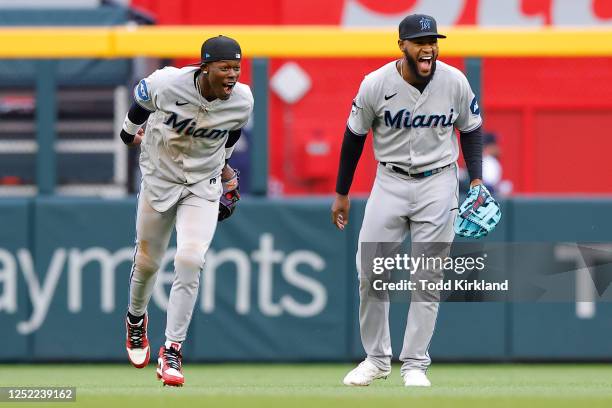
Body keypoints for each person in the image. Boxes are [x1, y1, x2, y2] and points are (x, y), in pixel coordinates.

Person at [331, 14, 484, 387]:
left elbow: (471, 129)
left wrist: (477, 179)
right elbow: (354, 137)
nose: (428, 46)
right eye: (420, 40)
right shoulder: (376, 84)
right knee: (371, 270)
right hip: (390, 180)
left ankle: (415, 363)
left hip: (439, 182)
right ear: (402, 45)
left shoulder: (455, 81)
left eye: (433, 39)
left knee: (427, 276)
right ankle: (376, 359)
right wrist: (342, 191)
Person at [120, 35, 253, 387]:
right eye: (224, 67)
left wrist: (225, 171)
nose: (232, 75)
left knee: (191, 259)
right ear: (204, 66)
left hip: (201, 185)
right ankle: (136, 320)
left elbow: (232, 132)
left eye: (236, 68)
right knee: (148, 263)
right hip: (159, 178)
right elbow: (139, 102)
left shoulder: (242, 100)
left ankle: (173, 350)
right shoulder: (167, 83)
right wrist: (128, 133)